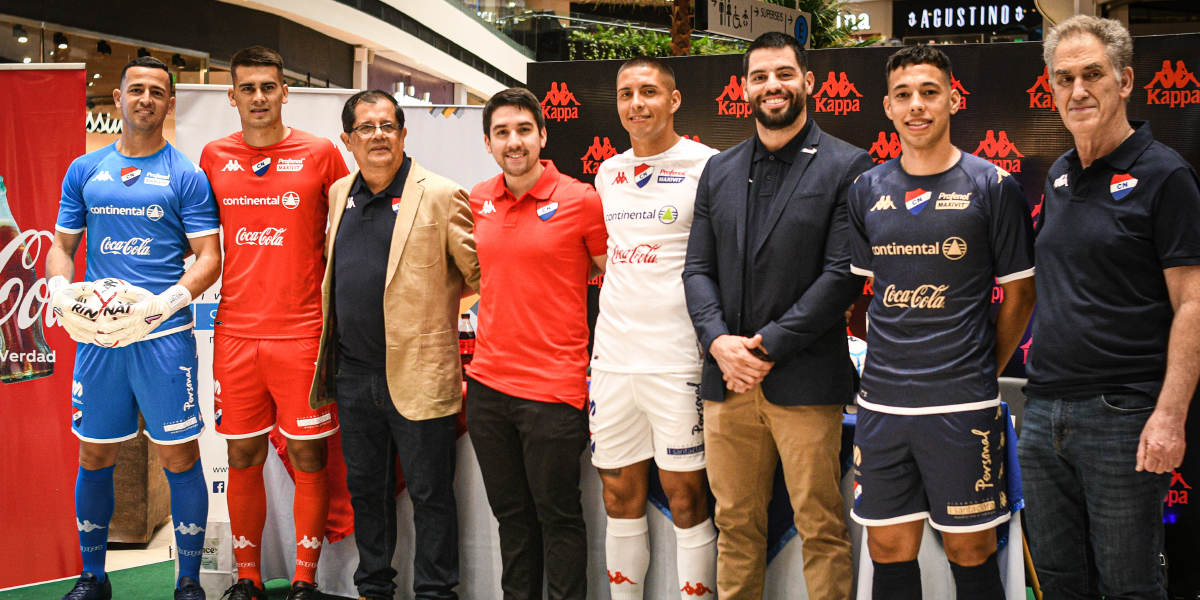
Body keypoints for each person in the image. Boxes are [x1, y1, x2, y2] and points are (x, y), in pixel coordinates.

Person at [682, 31, 873, 600]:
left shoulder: (848, 164)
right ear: (744, 87)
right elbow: (696, 270)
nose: (773, 86)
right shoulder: (719, 168)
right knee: (735, 525)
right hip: (726, 383)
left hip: (804, 381)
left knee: (821, 527)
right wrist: (720, 344)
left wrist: (760, 349)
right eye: (760, 76)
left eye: (784, 74)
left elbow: (842, 277)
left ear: (808, 82)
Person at [845, 45, 1037, 600]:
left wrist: (979, 371)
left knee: (971, 552)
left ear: (953, 98)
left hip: (960, 405)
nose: (917, 107)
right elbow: (860, 295)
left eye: (929, 92)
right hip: (882, 405)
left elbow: (1021, 295)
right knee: (888, 551)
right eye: (903, 95)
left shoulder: (991, 185)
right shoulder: (867, 190)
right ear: (886, 106)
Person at [1021, 15, 1200, 599]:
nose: (1078, 91)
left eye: (1092, 75)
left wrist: (1169, 416)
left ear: (1124, 82)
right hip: (1043, 412)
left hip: (1121, 415)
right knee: (1057, 581)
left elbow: (1192, 304)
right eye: (1064, 78)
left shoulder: (1166, 175)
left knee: (1130, 586)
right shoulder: (1060, 175)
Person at [47, 56, 221, 600]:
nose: (146, 98)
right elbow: (61, 247)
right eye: (136, 89)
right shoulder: (84, 169)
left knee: (179, 456)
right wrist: (57, 289)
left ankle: (188, 581)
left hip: (162, 340)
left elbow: (209, 256)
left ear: (170, 104)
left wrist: (166, 303)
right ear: (117, 99)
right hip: (101, 342)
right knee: (94, 454)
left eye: (157, 92)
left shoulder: (187, 175)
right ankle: (93, 577)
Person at [306, 89, 478, 600]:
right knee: (367, 493)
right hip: (354, 375)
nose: (378, 134)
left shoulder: (443, 194)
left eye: (387, 125)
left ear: (404, 134)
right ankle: (374, 588)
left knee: (430, 496)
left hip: (422, 375)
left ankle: (435, 592)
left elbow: (479, 274)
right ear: (348, 140)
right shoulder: (340, 193)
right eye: (366, 127)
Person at [199, 46, 349, 600]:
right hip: (236, 334)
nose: (258, 97)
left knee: (310, 455)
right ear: (232, 95)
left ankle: (305, 582)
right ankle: (248, 578)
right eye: (248, 88)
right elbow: (196, 243)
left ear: (285, 91)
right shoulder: (213, 156)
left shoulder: (320, 154)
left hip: (305, 333)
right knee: (243, 455)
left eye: (269, 87)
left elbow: (345, 236)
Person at [466, 87, 607, 600]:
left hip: (552, 390)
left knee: (559, 518)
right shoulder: (477, 198)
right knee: (512, 519)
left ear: (543, 136)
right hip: (486, 388)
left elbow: (618, 277)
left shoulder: (581, 199)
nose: (514, 141)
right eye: (502, 132)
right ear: (488, 142)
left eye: (524, 130)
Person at [590, 56, 718, 600]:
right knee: (618, 494)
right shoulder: (607, 172)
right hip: (614, 359)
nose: (636, 104)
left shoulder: (710, 166)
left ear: (674, 100)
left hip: (678, 360)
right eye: (625, 94)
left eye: (648, 92)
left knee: (687, 498)